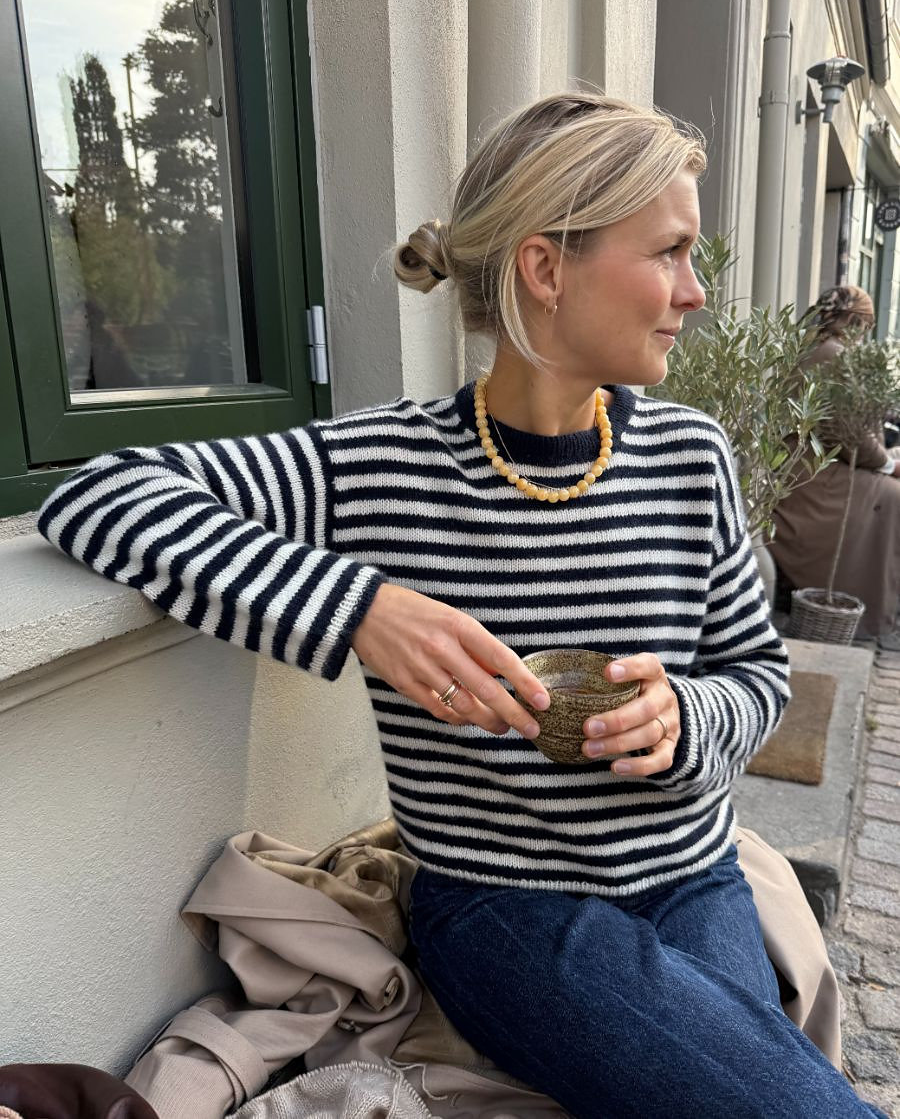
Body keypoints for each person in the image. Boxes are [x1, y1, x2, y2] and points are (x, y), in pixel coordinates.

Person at [36, 92, 885, 1118]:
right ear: (545, 269)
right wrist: (362, 609)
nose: (695, 291)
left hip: (693, 877)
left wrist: (687, 716)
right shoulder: (378, 463)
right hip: (502, 909)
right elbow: (100, 493)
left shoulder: (689, 457)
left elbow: (756, 674)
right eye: (669, 251)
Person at [770, 285, 900, 648]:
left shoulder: (816, 346)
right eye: (865, 322)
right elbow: (847, 433)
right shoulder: (832, 353)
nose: (866, 331)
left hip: (809, 467)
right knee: (892, 497)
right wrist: (888, 465)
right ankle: (869, 609)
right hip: (813, 479)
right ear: (854, 320)